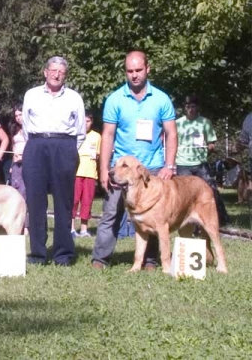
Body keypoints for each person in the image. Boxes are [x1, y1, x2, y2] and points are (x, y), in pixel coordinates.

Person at [91, 50, 177, 270]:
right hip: (121, 167)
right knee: (111, 212)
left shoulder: (161, 99)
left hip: (153, 167)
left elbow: (171, 133)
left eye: (138, 70)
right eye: (130, 71)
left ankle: (150, 260)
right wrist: (104, 169)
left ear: (148, 69)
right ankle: (100, 259)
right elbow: (107, 135)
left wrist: (169, 165)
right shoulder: (115, 99)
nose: (134, 75)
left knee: (156, 215)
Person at [22, 56, 86, 266]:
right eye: (53, 70)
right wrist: (37, 145)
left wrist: (67, 150)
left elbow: (80, 132)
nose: (57, 74)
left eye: (61, 71)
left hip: (64, 146)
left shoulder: (74, 97)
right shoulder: (31, 95)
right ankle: (38, 254)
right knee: (35, 201)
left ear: (65, 75)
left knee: (64, 202)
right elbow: (25, 125)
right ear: (45, 72)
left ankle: (63, 254)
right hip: (36, 145)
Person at [176, 95, 230, 225]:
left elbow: (211, 141)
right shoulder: (177, 123)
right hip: (183, 164)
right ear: (184, 108)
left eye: (193, 107)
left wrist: (211, 146)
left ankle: (221, 219)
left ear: (197, 107)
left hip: (201, 164)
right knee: (186, 196)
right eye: (188, 107)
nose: (191, 109)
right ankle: (188, 223)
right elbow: (172, 141)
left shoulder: (205, 122)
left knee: (211, 190)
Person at [71, 110, 101, 238]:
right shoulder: (75, 135)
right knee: (73, 200)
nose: (86, 124)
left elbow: (98, 156)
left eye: (88, 121)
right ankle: (71, 229)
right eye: (84, 121)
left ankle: (84, 229)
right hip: (76, 173)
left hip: (90, 173)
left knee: (87, 202)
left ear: (92, 122)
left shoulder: (97, 136)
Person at [9, 103, 28, 229]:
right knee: (15, 194)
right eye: (16, 115)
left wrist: (25, 157)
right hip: (16, 165)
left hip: (28, 164)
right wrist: (12, 164)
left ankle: (26, 226)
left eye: (20, 114)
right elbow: (13, 148)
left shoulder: (31, 129)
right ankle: (17, 226)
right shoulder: (14, 130)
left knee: (25, 194)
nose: (18, 117)